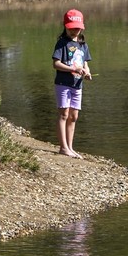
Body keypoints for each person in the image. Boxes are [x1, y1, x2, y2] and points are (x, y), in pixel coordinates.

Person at [52, 9, 92, 159]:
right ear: (66, 26)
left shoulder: (83, 45)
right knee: (64, 114)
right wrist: (72, 69)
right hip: (63, 83)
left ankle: (70, 147)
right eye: (72, 27)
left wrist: (87, 72)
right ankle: (63, 147)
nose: (75, 30)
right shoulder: (61, 43)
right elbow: (56, 64)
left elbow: (85, 64)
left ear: (82, 27)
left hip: (77, 85)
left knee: (74, 116)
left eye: (78, 28)